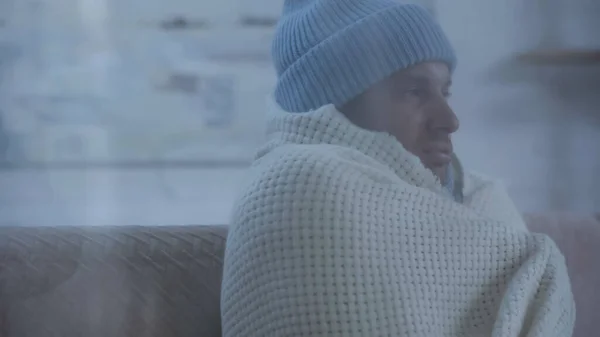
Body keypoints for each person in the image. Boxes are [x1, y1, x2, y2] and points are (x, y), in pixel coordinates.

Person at [221, 1, 576, 336]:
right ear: (340, 103)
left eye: (445, 92)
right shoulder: (303, 183)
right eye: (414, 91)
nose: (449, 121)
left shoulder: (477, 195)